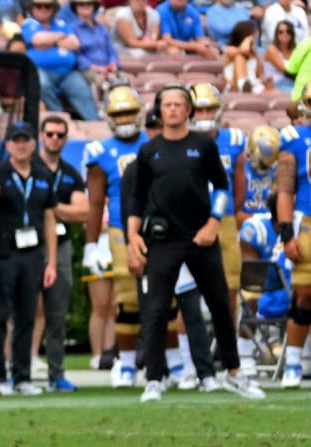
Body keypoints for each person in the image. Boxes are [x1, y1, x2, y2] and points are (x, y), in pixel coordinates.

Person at [127, 85, 266, 402]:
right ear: (159, 111)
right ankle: (154, 377)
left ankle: (233, 372)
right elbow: (137, 197)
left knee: (220, 304)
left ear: (189, 111)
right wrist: (133, 236)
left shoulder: (203, 145)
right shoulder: (150, 150)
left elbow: (221, 186)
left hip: (200, 236)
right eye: (167, 104)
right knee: (158, 308)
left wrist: (213, 223)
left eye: (179, 104)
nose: (173, 110)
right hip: (163, 239)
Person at [83, 85, 148, 388]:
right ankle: (125, 360)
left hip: (160, 226)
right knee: (128, 298)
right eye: (118, 114)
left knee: (168, 297)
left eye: (128, 113)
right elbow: (95, 204)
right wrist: (91, 245)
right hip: (121, 228)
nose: (123, 119)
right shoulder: (99, 151)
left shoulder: (156, 143)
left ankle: (175, 360)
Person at [0, 121, 58, 396]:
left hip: (32, 254)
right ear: (8, 145)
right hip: (3, 252)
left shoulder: (42, 174)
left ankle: (22, 376)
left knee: (27, 315)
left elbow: (50, 219)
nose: (21, 144)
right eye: (16, 139)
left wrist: (51, 261)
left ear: (33, 143)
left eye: (25, 139)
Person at [34, 115, 88, 392]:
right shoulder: (28, 165)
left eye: (59, 134)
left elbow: (84, 211)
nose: (54, 138)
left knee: (57, 311)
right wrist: (54, 209)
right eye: (50, 133)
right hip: (30, 244)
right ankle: (15, 369)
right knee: (21, 311)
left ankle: (57, 373)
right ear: (41, 135)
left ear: (65, 139)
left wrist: (50, 208)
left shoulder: (69, 173)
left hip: (61, 243)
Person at [276, 85, 311, 386]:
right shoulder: (294, 138)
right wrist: (287, 233)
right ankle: (294, 363)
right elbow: (285, 190)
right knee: (304, 295)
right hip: (307, 221)